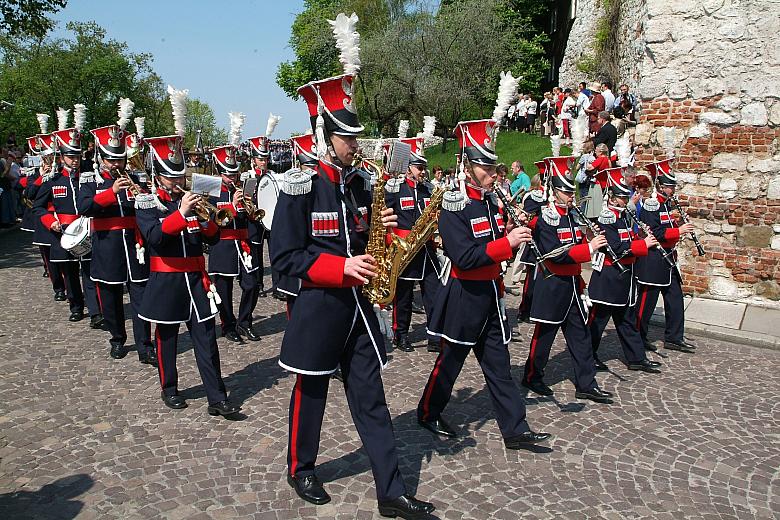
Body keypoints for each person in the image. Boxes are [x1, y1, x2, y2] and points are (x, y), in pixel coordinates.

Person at [270, 14, 434, 517]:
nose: (355, 145)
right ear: (324, 134)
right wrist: (341, 268)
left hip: (359, 312)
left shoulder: (359, 184)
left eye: (356, 138)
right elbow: (285, 260)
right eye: (347, 139)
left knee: (371, 398)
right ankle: (302, 468)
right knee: (311, 392)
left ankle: (391, 491)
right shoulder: (300, 186)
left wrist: (379, 229)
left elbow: (361, 236)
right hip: (320, 306)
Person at [418, 113, 551, 449]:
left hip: (492, 295)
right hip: (465, 296)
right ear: (467, 167)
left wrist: (510, 231)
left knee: (500, 367)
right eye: (487, 169)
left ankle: (515, 430)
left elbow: (490, 245)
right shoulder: (453, 204)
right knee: (449, 364)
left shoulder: (490, 201)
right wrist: (506, 244)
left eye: (494, 169)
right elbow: (464, 256)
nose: (494, 175)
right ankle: (428, 412)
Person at [135, 126, 241, 417]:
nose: (178, 181)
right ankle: (169, 388)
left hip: (197, 282)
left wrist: (207, 218)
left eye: (180, 175)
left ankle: (216, 398)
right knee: (166, 340)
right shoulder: (147, 203)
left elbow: (212, 237)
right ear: (158, 175)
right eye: (172, 176)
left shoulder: (192, 200)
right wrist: (180, 214)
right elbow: (155, 237)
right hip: (167, 280)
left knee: (206, 339)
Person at [522, 156, 614, 404]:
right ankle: (532, 375)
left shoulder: (573, 215)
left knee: (580, 335)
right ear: (554, 191)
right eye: (565, 191)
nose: (570, 195)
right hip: (553, 283)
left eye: (570, 191)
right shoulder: (545, 217)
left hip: (573, 285)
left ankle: (586, 383)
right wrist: (589, 249)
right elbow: (556, 254)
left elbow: (576, 243)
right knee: (545, 335)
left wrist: (593, 241)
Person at [79, 120, 157, 362]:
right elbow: (84, 207)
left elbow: (151, 207)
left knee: (141, 297)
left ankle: (145, 345)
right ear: (101, 158)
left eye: (119, 159)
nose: (116, 164)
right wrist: (111, 192)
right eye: (111, 160)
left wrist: (145, 193)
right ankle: (117, 339)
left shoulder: (136, 176)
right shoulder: (89, 180)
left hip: (135, 247)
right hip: (107, 246)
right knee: (111, 299)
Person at [587, 167, 663, 374]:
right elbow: (616, 249)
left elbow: (629, 239)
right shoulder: (607, 218)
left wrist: (641, 239)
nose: (624, 199)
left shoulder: (622, 217)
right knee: (597, 322)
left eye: (624, 195)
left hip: (625, 278)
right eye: (620, 196)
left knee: (628, 320)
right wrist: (643, 245)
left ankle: (636, 358)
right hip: (609, 278)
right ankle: (587, 356)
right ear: (611, 197)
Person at [628, 159, 697, 354]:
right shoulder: (651, 205)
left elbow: (667, 228)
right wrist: (679, 231)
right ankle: (638, 338)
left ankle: (674, 337)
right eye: (668, 186)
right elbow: (656, 233)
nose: (672, 190)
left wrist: (679, 225)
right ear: (659, 185)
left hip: (668, 258)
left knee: (675, 299)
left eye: (673, 186)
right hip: (653, 260)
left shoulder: (666, 205)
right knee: (645, 304)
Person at [385, 135, 442, 353]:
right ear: (408, 168)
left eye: (423, 167)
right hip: (405, 249)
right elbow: (385, 220)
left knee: (434, 293)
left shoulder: (428, 190)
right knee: (404, 297)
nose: (423, 171)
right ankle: (400, 335)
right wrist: (396, 240)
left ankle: (435, 336)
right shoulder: (395, 189)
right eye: (419, 167)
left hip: (426, 250)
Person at [207, 144, 261, 343]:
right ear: (220, 173)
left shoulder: (243, 188)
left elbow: (253, 217)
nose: (232, 179)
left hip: (243, 243)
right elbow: (211, 220)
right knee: (223, 289)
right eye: (228, 175)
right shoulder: (211, 191)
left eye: (235, 174)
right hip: (222, 244)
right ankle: (228, 325)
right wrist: (231, 206)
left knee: (252, 284)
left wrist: (249, 207)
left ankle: (245, 322)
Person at [246, 123, 282, 299]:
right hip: (254, 220)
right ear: (253, 160)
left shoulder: (273, 176)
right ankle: (258, 284)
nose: (263, 162)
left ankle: (278, 286)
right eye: (260, 159)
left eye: (265, 159)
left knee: (275, 252)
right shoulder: (247, 177)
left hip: (270, 219)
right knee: (256, 254)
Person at [584, 143, 611, 219]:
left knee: (596, 203)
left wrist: (588, 161)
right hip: (605, 183)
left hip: (598, 183)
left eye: (596, 151)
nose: (595, 152)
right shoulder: (608, 159)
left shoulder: (601, 159)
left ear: (601, 152)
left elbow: (589, 168)